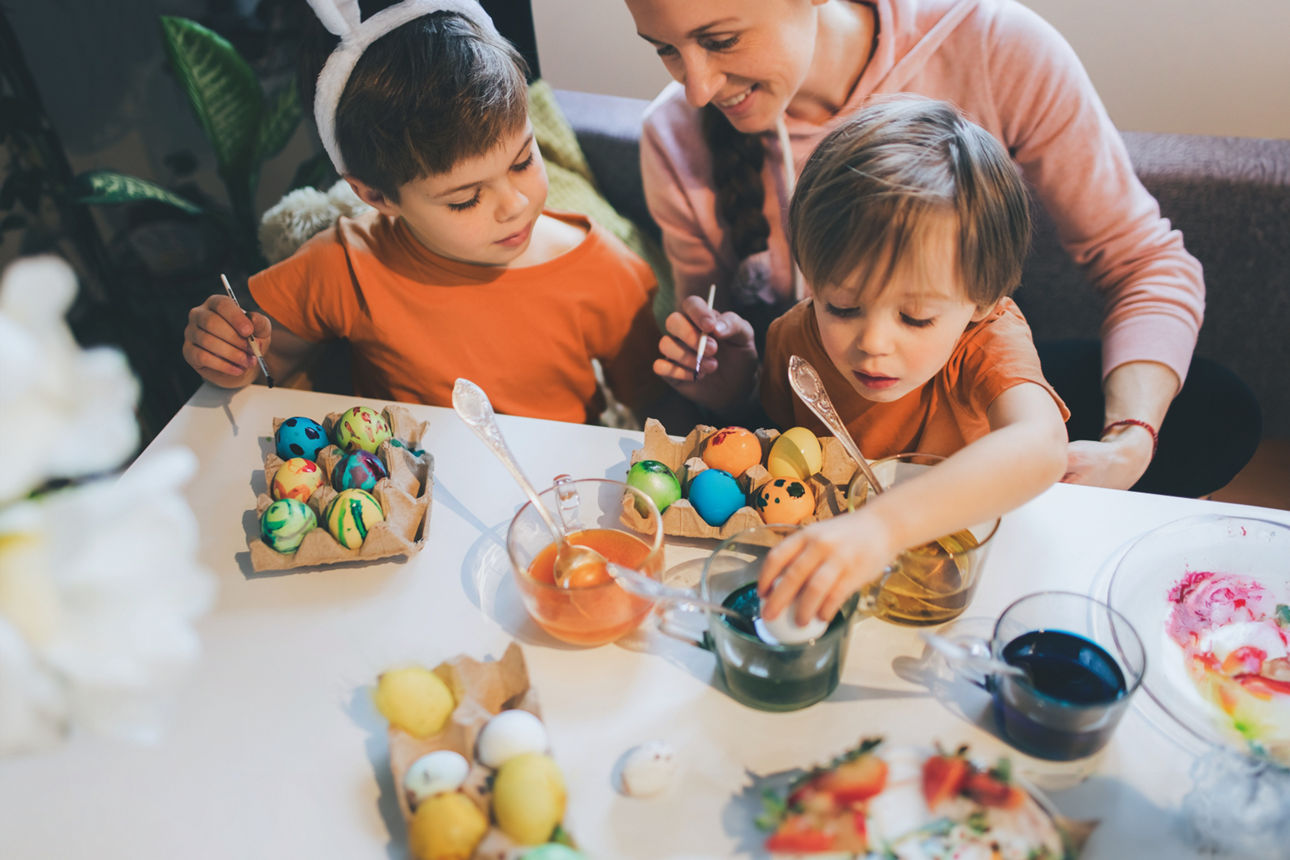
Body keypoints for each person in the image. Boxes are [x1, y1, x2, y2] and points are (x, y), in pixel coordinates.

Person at [630, 0, 1261, 498]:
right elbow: (741, 373)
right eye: (664, 49)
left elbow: (1144, 262)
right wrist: (724, 375)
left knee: (1217, 412)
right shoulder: (674, 134)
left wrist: (1129, 441)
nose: (696, 89)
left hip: (955, 387)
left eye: (721, 40)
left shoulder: (994, 44)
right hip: (823, 411)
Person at [181, 0, 667, 425]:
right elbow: (266, 363)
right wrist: (229, 350)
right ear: (377, 197)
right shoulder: (346, 265)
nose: (515, 205)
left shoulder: (604, 271)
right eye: (465, 199)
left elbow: (658, 414)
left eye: (522, 161)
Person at [756, 95, 1067, 625]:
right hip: (839, 587)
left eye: (917, 317)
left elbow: (1040, 447)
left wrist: (882, 526)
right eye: (843, 306)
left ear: (982, 299)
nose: (874, 342)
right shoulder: (793, 340)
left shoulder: (986, 339)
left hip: (954, 586)